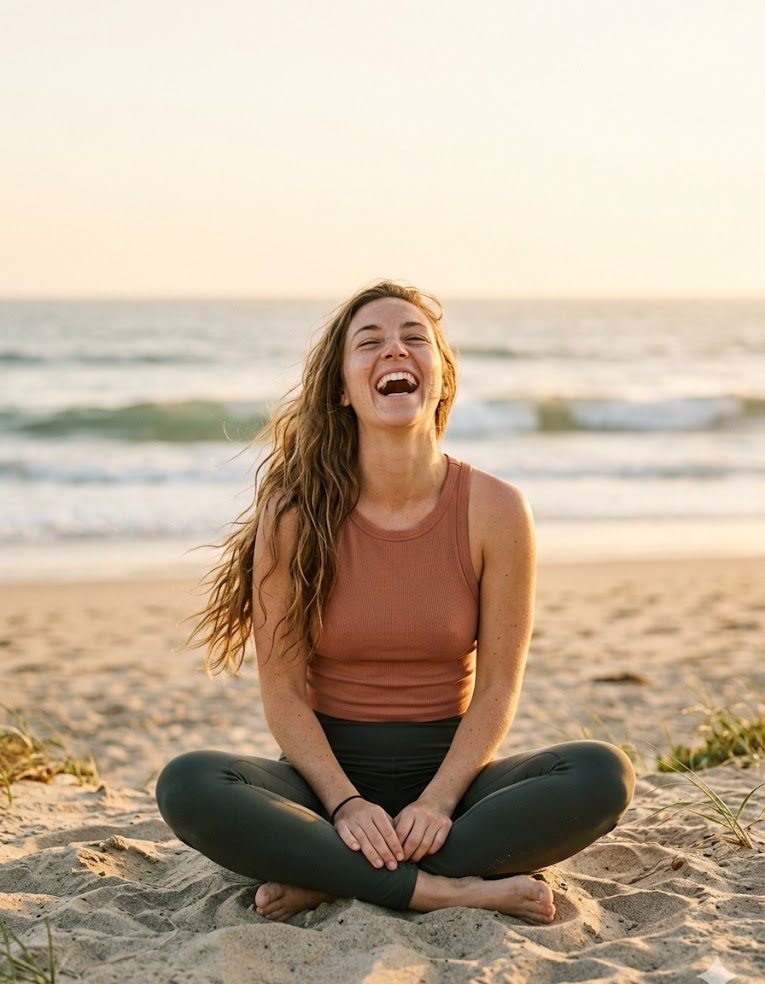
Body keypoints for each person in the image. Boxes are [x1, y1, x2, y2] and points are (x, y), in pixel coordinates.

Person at [155, 279, 636, 924]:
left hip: (454, 788)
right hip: (324, 785)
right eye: (369, 342)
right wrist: (347, 807)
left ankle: (328, 873)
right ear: (343, 387)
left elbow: (497, 690)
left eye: (415, 339)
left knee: (603, 773)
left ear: (441, 376)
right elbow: (284, 695)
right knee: (188, 783)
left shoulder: (496, 509)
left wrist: (437, 803)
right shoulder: (294, 514)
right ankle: (443, 888)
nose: (394, 352)